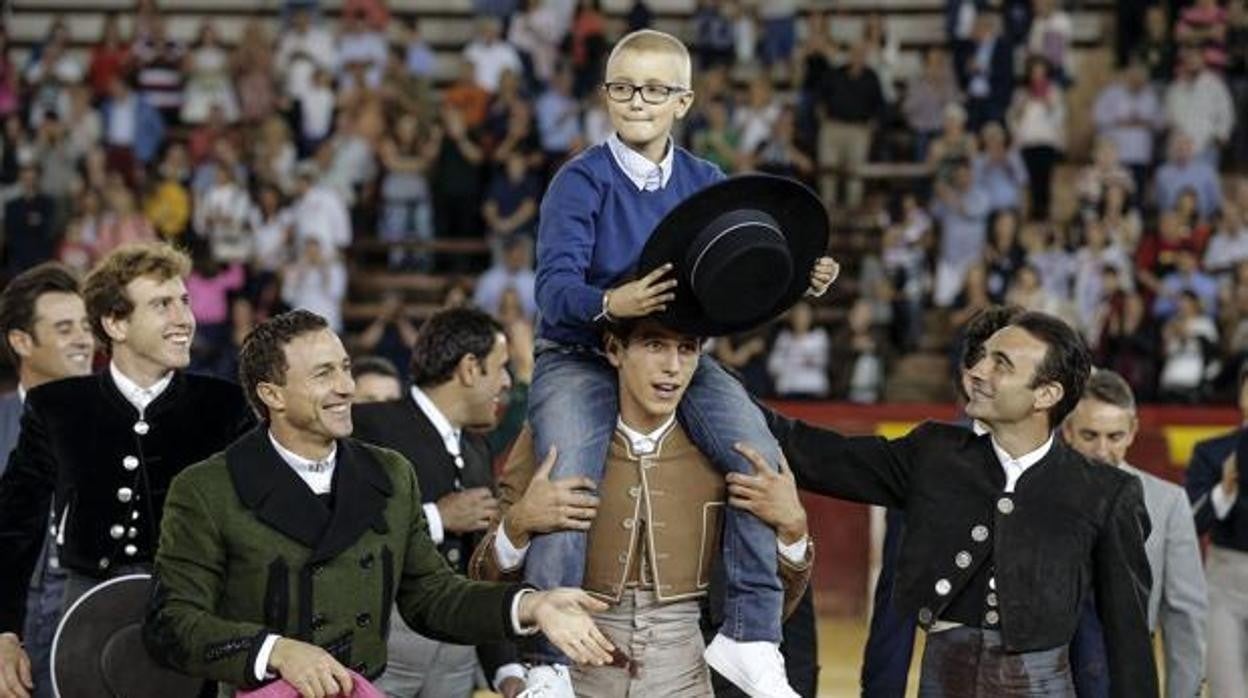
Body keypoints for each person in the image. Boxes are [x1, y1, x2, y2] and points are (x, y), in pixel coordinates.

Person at [530, 29, 836, 697]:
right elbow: (552, 292)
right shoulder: (578, 181)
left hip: (675, 351)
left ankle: (750, 635)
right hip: (579, 350)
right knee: (566, 474)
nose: (637, 100)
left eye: (655, 89)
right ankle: (548, 663)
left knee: (757, 452)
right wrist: (616, 301)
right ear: (606, 93)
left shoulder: (707, 183)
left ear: (684, 101)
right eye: (622, 87)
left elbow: (733, 290)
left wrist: (795, 280)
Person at [143, 310, 613, 694]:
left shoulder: (389, 472)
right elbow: (172, 623)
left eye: (346, 367)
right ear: (272, 395)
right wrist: (277, 651)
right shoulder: (207, 488)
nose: (346, 387)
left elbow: (433, 596)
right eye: (324, 373)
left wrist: (533, 606)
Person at [750, 311, 1157, 696]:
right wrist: (712, 375)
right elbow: (816, 453)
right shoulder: (934, 454)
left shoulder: (1105, 493)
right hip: (943, 680)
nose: (977, 372)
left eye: (1001, 364)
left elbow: (1128, 639)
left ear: (1046, 394)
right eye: (982, 358)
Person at [469, 317, 814, 697]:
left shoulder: (728, 445)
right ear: (615, 350)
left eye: (687, 349)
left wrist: (794, 530)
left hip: (685, 671)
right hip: (572, 673)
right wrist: (517, 525)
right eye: (654, 346)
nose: (672, 366)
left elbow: (772, 603)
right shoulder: (555, 435)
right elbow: (484, 585)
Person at [0, 243, 255, 698]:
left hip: (194, 620)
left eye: (184, 301)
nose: (184, 319)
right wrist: (3, 634)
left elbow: (256, 527)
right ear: (115, 323)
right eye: (162, 305)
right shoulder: (57, 407)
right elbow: (13, 530)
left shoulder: (225, 405)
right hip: (83, 620)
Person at [351, 308, 525, 697]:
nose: (507, 381)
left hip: (458, 662)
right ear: (468, 368)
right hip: (381, 652)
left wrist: (506, 668)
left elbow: (479, 573)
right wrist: (435, 518)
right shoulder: (366, 425)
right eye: (500, 367)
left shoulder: (477, 447)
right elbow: (334, 536)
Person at [1062, 369, 1207, 698]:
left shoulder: (1168, 502)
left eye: (1114, 437)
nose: (1101, 451)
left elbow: (1185, 617)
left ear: (1133, 432)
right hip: (1046, 673)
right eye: (1089, 435)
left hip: (1128, 673)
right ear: (1067, 431)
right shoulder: (1039, 496)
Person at [0, 264, 94, 698]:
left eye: (85, 326)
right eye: (63, 328)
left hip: (101, 635)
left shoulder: (126, 422)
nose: (83, 339)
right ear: (21, 341)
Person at [1185, 363, 1248, 698]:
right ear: (1241, 394)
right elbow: (1191, 523)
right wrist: (1224, 490)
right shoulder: (1212, 452)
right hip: (1226, 581)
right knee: (1228, 690)